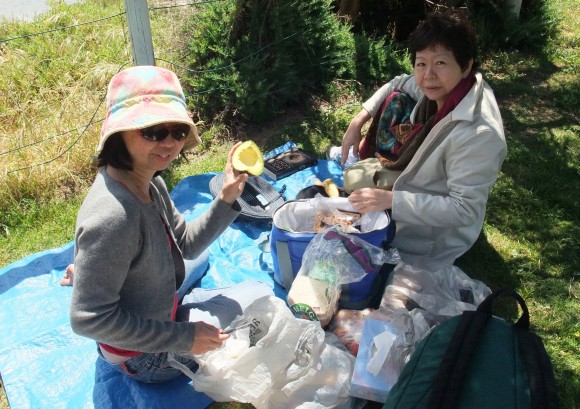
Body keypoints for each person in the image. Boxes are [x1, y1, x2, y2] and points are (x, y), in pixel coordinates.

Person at [69, 65, 272, 384]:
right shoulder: (113, 217)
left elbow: (187, 244)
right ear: (118, 135)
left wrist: (227, 198)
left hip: (153, 304)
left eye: (177, 131)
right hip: (142, 356)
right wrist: (183, 337)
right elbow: (88, 319)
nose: (169, 143)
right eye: (152, 131)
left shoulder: (149, 182)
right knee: (257, 309)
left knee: (199, 258)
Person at [330, 9, 507, 265]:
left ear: (466, 65)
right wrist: (358, 121)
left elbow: (464, 208)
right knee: (395, 101)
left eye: (441, 63)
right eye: (421, 63)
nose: (428, 75)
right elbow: (396, 83)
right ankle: (367, 169)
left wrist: (392, 200)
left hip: (436, 235)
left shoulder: (479, 134)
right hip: (415, 187)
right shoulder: (446, 89)